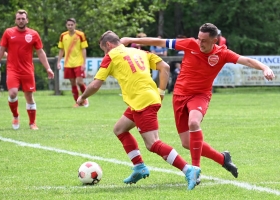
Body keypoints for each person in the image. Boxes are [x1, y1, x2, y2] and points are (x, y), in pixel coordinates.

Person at [120, 23, 275, 184]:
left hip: (200, 96)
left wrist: (265, 68)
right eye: (199, 39)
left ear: (215, 40)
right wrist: (131, 39)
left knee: (194, 122)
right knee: (187, 143)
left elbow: (247, 60)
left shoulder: (222, 53)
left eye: (204, 41)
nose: (200, 43)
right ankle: (223, 159)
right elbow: (161, 42)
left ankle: (195, 169)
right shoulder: (190, 43)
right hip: (179, 96)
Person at [77, 30, 201, 190]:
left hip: (142, 102)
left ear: (108, 45)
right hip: (144, 100)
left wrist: (82, 97)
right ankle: (139, 167)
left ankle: (189, 169)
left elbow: (95, 84)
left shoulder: (111, 56)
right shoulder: (139, 51)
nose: (104, 53)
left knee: (153, 143)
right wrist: (161, 91)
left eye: (104, 50)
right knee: (119, 129)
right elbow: (165, 67)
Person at [0, 9, 54, 130]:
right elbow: (1, 50)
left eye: (23, 19)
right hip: (13, 69)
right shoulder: (8, 32)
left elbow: (40, 52)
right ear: (15, 20)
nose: (21, 21)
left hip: (27, 70)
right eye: (18, 18)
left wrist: (48, 68)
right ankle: (15, 115)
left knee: (29, 97)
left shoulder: (33, 34)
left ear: (27, 20)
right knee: (12, 94)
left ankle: (32, 123)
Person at [57, 18, 89, 108]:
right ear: (66, 25)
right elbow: (61, 49)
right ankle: (77, 102)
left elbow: (83, 49)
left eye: (72, 25)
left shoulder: (80, 35)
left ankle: (85, 98)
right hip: (68, 63)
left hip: (78, 62)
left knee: (79, 82)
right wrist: (59, 61)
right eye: (68, 25)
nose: (70, 26)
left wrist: (84, 63)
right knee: (73, 83)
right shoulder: (63, 35)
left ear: (75, 25)